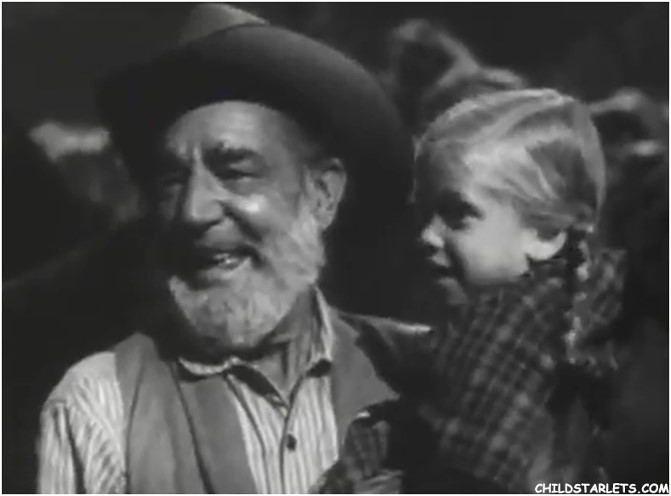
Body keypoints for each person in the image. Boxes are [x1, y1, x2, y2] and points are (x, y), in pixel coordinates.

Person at [36, 4, 421, 493]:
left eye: (235, 171)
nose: (193, 210)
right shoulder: (98, 406)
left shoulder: (416, 371)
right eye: (172, 181)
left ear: (322, 195)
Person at [315, 89, 630, 493]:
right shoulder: (575, 316)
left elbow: (467, 479)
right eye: (424, 212)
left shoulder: (511, 328)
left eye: (458, 214)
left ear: (548, 232)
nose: (427, 235)